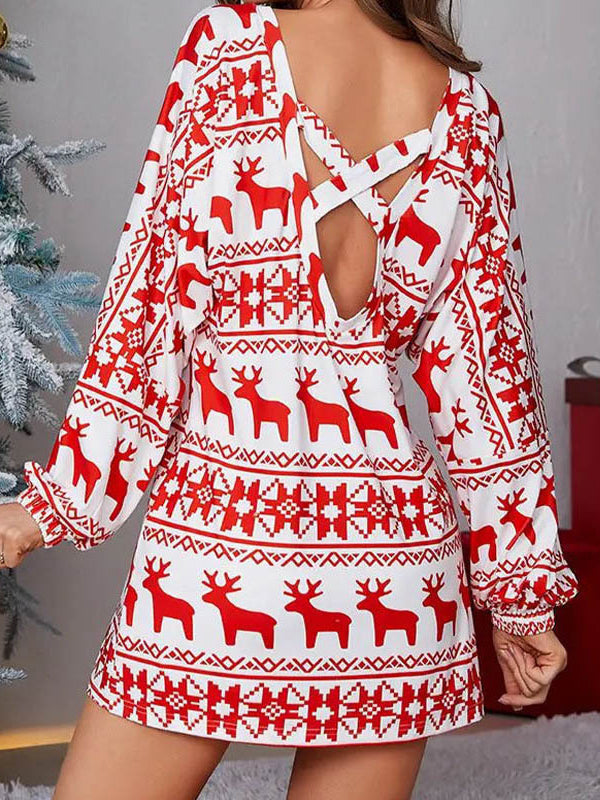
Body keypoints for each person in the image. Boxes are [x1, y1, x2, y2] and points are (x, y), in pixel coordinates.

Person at [0, 0, 579, 798]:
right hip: (395, 578)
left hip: (224, 549)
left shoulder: (229, 47)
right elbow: (490, 384)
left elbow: (151, 310)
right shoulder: (467, 111)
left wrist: (56, 503)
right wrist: (522, 600)